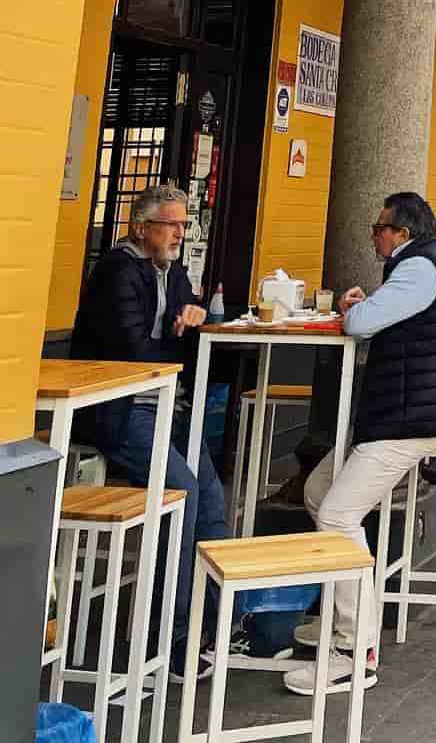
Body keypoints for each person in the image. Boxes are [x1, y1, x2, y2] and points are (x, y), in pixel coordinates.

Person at [285, 191, 436, 695]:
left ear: (402, 234)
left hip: (411, 417)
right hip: (403, 409)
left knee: (337, 515)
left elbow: (362, 323)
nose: (373, 235)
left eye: (379, 227)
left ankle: (355, 650)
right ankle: (344, 616)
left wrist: (355, 308)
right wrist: (363, 306)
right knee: (319, 493)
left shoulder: (420, 268)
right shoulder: (429, 262)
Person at [70, 182, 226, 681]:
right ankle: (169, 639)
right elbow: (134, 350)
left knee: (212, 499)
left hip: (167, 405)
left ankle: (211, 621)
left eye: (184, 225)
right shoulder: (117, 271)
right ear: (141, 228)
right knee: (184, 493)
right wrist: (183, 334)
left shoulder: (171, 271)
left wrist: (194, 319)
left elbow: (188, 334)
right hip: (121, 409)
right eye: (171, 225)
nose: (180, 234)